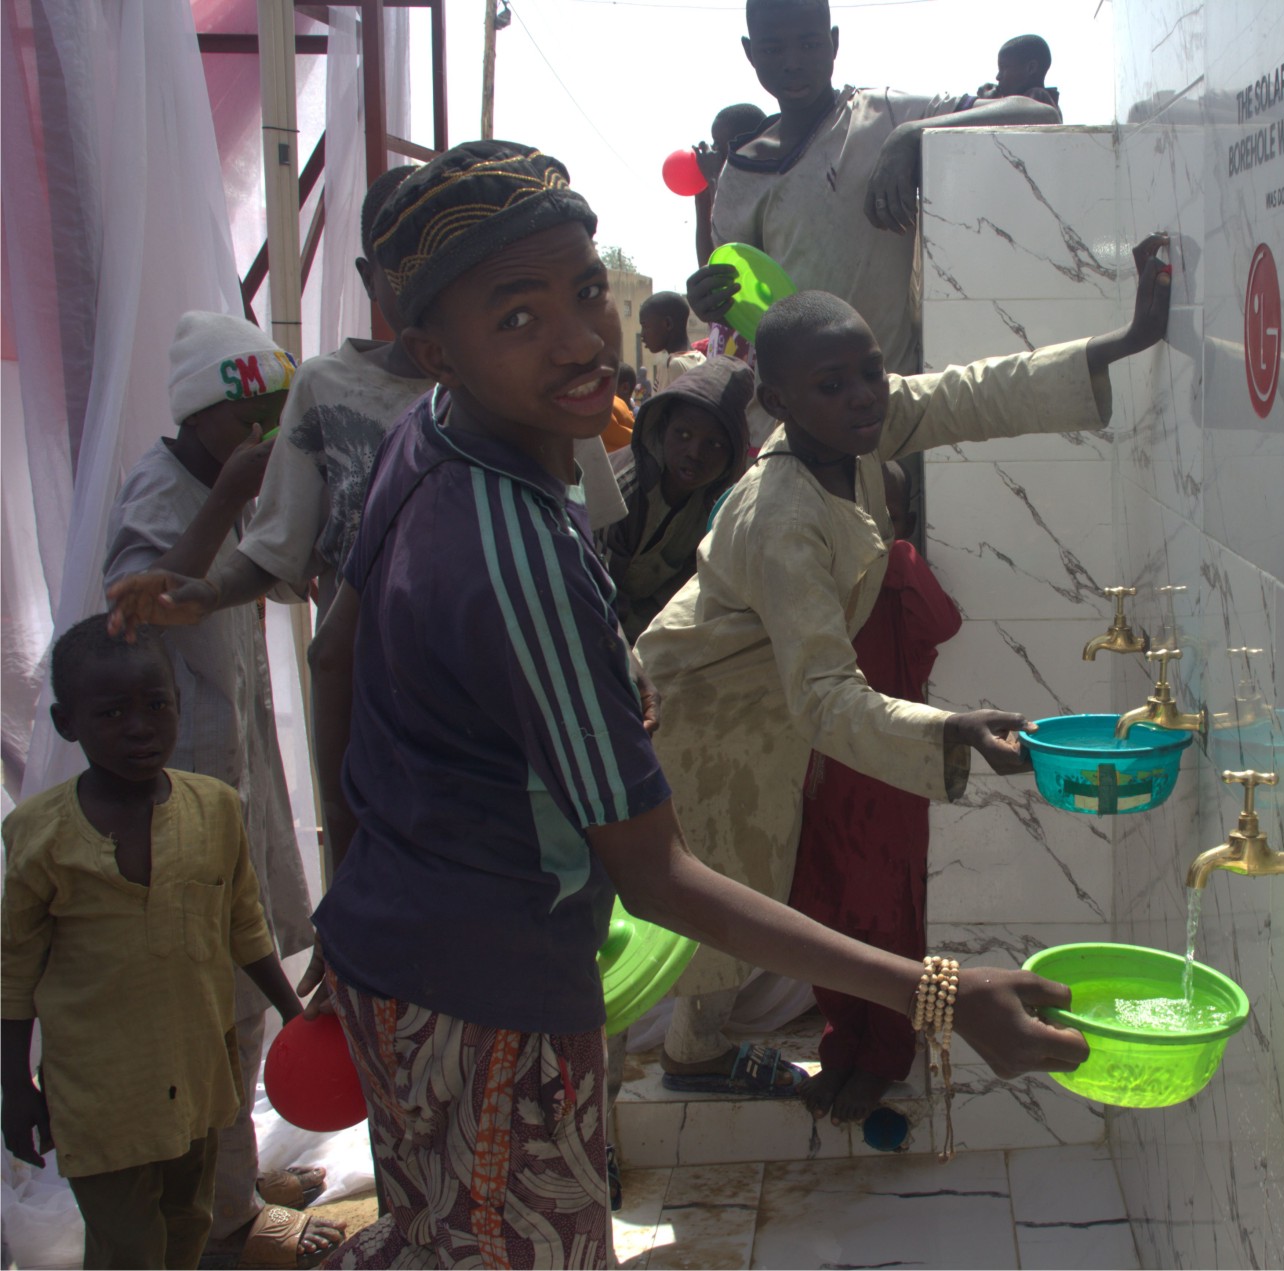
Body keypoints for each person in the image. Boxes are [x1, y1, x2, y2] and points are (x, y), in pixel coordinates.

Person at [298, 139, 1085, 1264]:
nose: (578, 338)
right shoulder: (518, 552)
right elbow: (657, 875)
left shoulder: (431, 444)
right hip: (488, 995)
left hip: (397, 938)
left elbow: (337, 656)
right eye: (516, 317)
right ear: (433, 347)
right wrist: (946, 993)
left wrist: (348, 881)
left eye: (582, 291)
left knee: (435, 1233)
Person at [637, 233, 1172, 1095]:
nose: (862, 397)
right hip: (701, 707)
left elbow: (969, 393)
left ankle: (694, 1047)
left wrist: (1122, 340)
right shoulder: (783, 514)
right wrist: (949, 730)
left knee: (743, 868)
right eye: (832, 383)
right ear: (775, 401)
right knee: (718, 874)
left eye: (870, 371)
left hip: (756, 688)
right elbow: (821, 697)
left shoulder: (849, 431)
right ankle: (675, 1057)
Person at [102, 167, 627, 642]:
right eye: (401, 266)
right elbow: (279, 549)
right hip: (377, 695)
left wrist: (615, 650)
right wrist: (212, 591)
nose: (422, 282)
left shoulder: (547, 385)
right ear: (368, 275)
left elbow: (587, 544)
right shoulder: (326, 390)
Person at [98, 312, 344, 1264]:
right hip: (182, 790)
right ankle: (231, 1223)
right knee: (215, 1006)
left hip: (234, 774)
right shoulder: (166, 493)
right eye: (250, 422)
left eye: (278, 418)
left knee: (242, 989)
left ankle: (230, 1180)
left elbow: (275, 577)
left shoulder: (230, 480)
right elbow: (133, 608)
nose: (265, 438)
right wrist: (229, 500)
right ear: (204, 420)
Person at [2, 617, 306, 1270]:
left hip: (196, 1079)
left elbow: (244, 924)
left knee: (186, 1227)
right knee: (129, 1250)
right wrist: (15, 1084)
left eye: (157, 704)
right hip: (98, 1095)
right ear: (66, 722)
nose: (140, 726)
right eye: (111, 712)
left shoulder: (214, 808)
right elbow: (14, 970)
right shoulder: (40, 835)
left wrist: (292, 1010)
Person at [688, 0, 1059, 377]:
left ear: (834, 44)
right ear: (750, 52)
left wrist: (911, 136)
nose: (792, 61)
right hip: (800, 412)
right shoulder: (741, 173)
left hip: (891, 399)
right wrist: (708, 299)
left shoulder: (884, 116)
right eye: (772, 48)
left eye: (809, 44)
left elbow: (1038, 115)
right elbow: (740, 291)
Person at [789, 461, 961, 1122]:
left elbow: (941, 623)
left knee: (887, 916)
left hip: (888, 776)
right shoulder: (810, 573)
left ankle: (886, 1053)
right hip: (820, 770)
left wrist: (888, 554)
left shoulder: (894, 574)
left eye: (873, 508)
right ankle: (841, 1046)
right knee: (822, 908)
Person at [601, 355, 754, 640]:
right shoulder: (624, 492)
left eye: (714, 444)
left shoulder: (713, 506)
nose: (695, 453)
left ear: (732, 453)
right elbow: (598, 599)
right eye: (683, 434)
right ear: (663, 426)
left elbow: (683, 593)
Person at [694, 102, 770, 267]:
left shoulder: (767, 188)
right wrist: (701, 202)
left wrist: (715, 179)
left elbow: (732, 252)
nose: (714, 154)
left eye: (720, 148)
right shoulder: (721, 191)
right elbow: (709, 268)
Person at [976, 34, 1061, 117]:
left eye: (1004, 68)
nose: (998, 77)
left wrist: (986, 102)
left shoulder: (1038, 97)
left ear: (1031, 68)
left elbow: (1010, 116)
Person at [639, 291, 706, 389]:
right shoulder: (703, 359)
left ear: (667, 324)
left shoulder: (673, 365)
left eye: (645, 326)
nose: (642, 335)